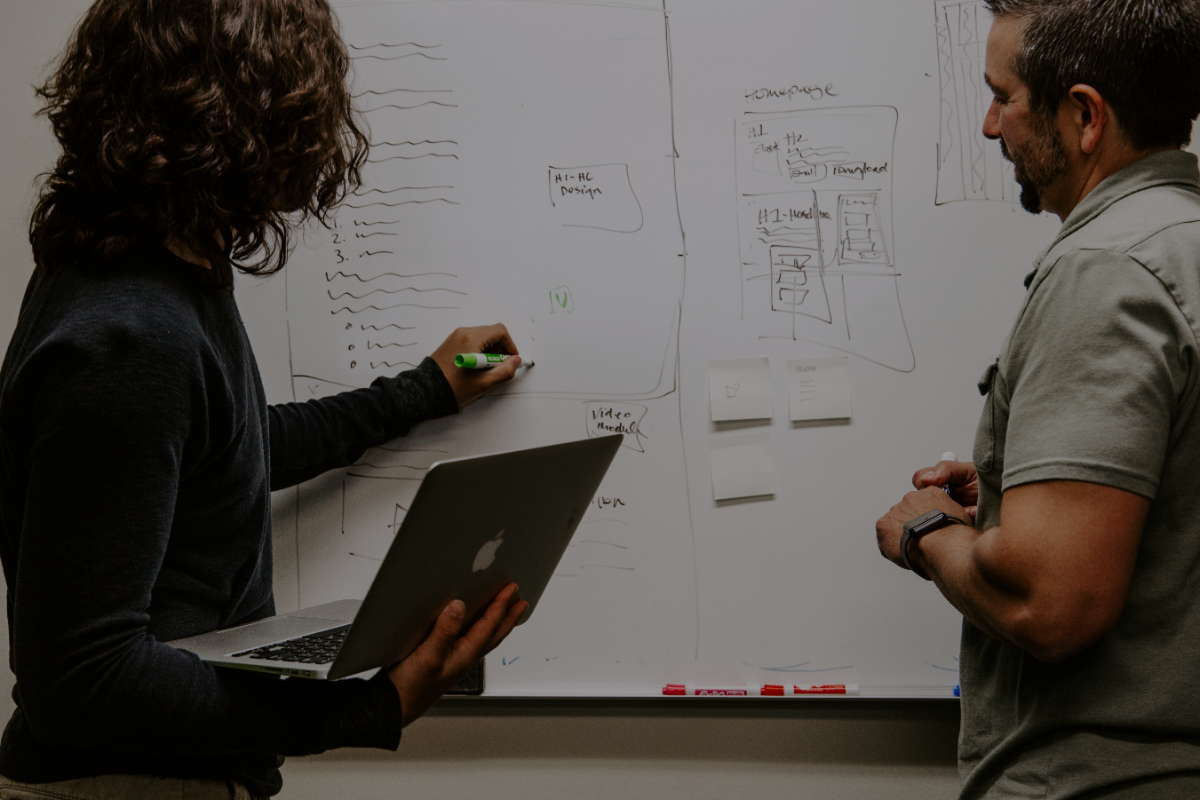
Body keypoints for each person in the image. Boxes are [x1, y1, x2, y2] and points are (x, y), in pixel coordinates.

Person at [0, 0, 529, 797]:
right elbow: (81, 684)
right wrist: (367, 711)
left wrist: (426, 389)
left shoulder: (159, 278)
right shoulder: (129, 335)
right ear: (261, 120)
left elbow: (227, 454)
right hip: (126, 785)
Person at [875, 1, 1200, 797]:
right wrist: (1022, 496)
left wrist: (923, 533)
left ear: (1085, 116)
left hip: (1101, 777)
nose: (990, 127)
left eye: (1005, 96)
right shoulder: (1183, 241)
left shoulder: (1106, 270)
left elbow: (1052, 604)